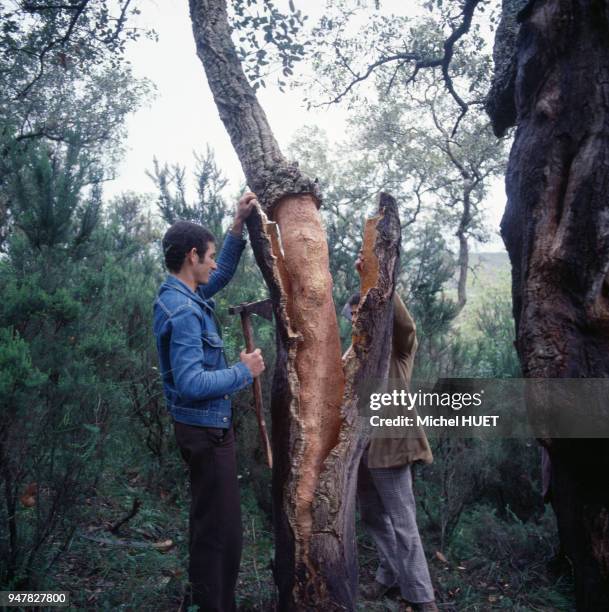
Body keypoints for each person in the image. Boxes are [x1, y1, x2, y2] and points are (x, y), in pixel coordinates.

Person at [153, 192, 265, 612]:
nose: (215, 264)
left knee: (213, 527)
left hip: (206, 428)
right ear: (192, 256)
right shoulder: (183, 311)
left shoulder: (184, 295)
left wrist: (237, 226)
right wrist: (244, 372)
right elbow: (190, 383)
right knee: (220, 534)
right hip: (205, 432)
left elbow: (223, 275)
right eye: (211, 256)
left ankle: (207, 602)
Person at [347, 250, 437, 612]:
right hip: (361, 452)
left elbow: (405, 326)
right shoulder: (354, 356)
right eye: (352, 316)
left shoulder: (396, 352)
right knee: (371, 517)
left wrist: (374, 280)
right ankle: (390, 576)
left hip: (392, 447)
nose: (356, 320)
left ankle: (421, 598)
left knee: (403, 522)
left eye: (361, 314)